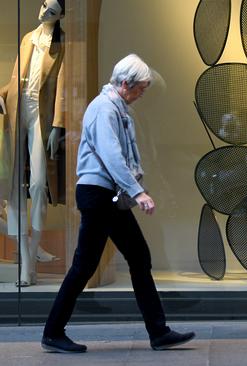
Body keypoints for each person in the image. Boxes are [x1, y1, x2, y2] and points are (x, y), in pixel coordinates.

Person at [41, 54, 195, 353]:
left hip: (106, 196)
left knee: (137, 257)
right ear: (125, 84)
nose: (141, 95)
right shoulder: (104, 109)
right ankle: (52, 332)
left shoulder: (116, 107)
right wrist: (138, 192)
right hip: (99, 196)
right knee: (86, 265)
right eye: (140, 89)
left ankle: (158, 332)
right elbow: (112, 156)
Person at [0, 0, 66, 287]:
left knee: (38, 184)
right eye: (43, 5)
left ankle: (34, 249)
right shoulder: (28, 38)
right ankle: (27, 260)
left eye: (51, 11)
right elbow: (15, 79)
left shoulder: (61, 44)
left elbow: (63, 86)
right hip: (17, 110)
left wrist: (58, 124)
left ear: (60, 16)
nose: (43, 12)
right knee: (15, 187)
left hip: (41, 113)